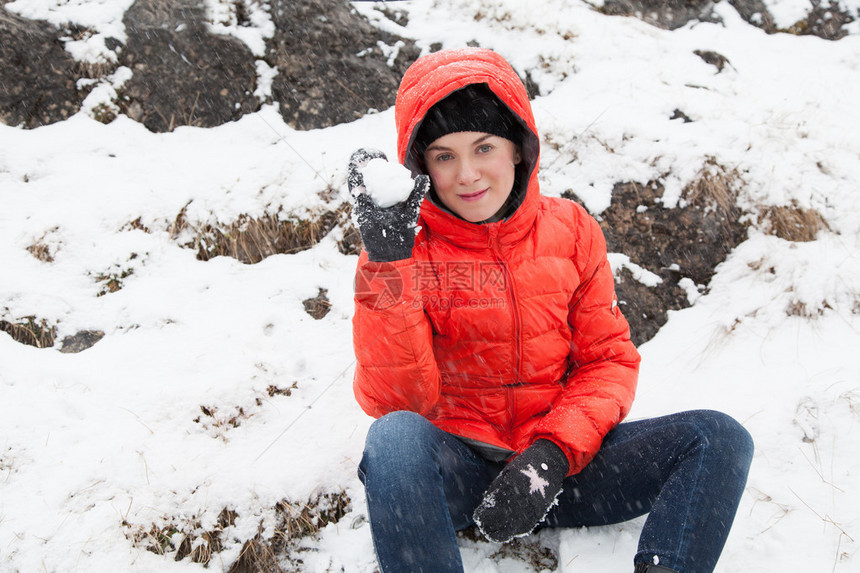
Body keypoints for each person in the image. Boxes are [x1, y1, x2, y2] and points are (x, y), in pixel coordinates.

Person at [347, 47, 753, 573]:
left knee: (717, 437)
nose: (467, 174)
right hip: (459, 474)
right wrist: (388, 264)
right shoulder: (402, 252)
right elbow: (396, 401)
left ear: (517, 148)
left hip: (562, 473)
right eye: (444, 155)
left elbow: (607, 361)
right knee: (393, 440)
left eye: (484, 147)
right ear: (420, 165)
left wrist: (550, 458)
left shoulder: (572, 230)